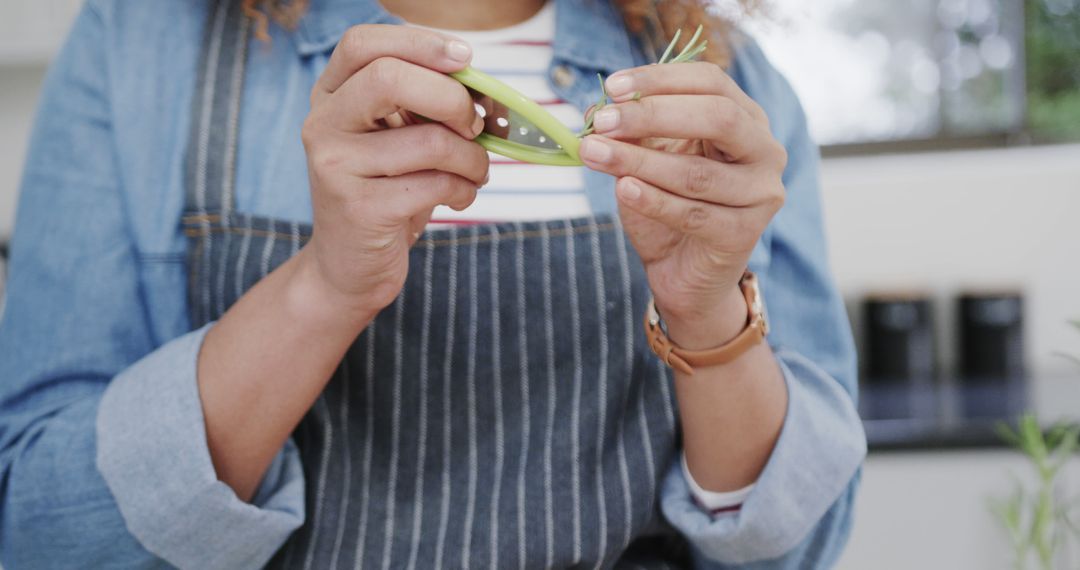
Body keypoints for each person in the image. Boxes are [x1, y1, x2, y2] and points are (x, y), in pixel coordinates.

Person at [0, 0, 866, 567]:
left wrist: (707, 313)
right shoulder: (138, 47)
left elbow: (802, 545)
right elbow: (41, 530)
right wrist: (326, 288)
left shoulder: (732, 83)